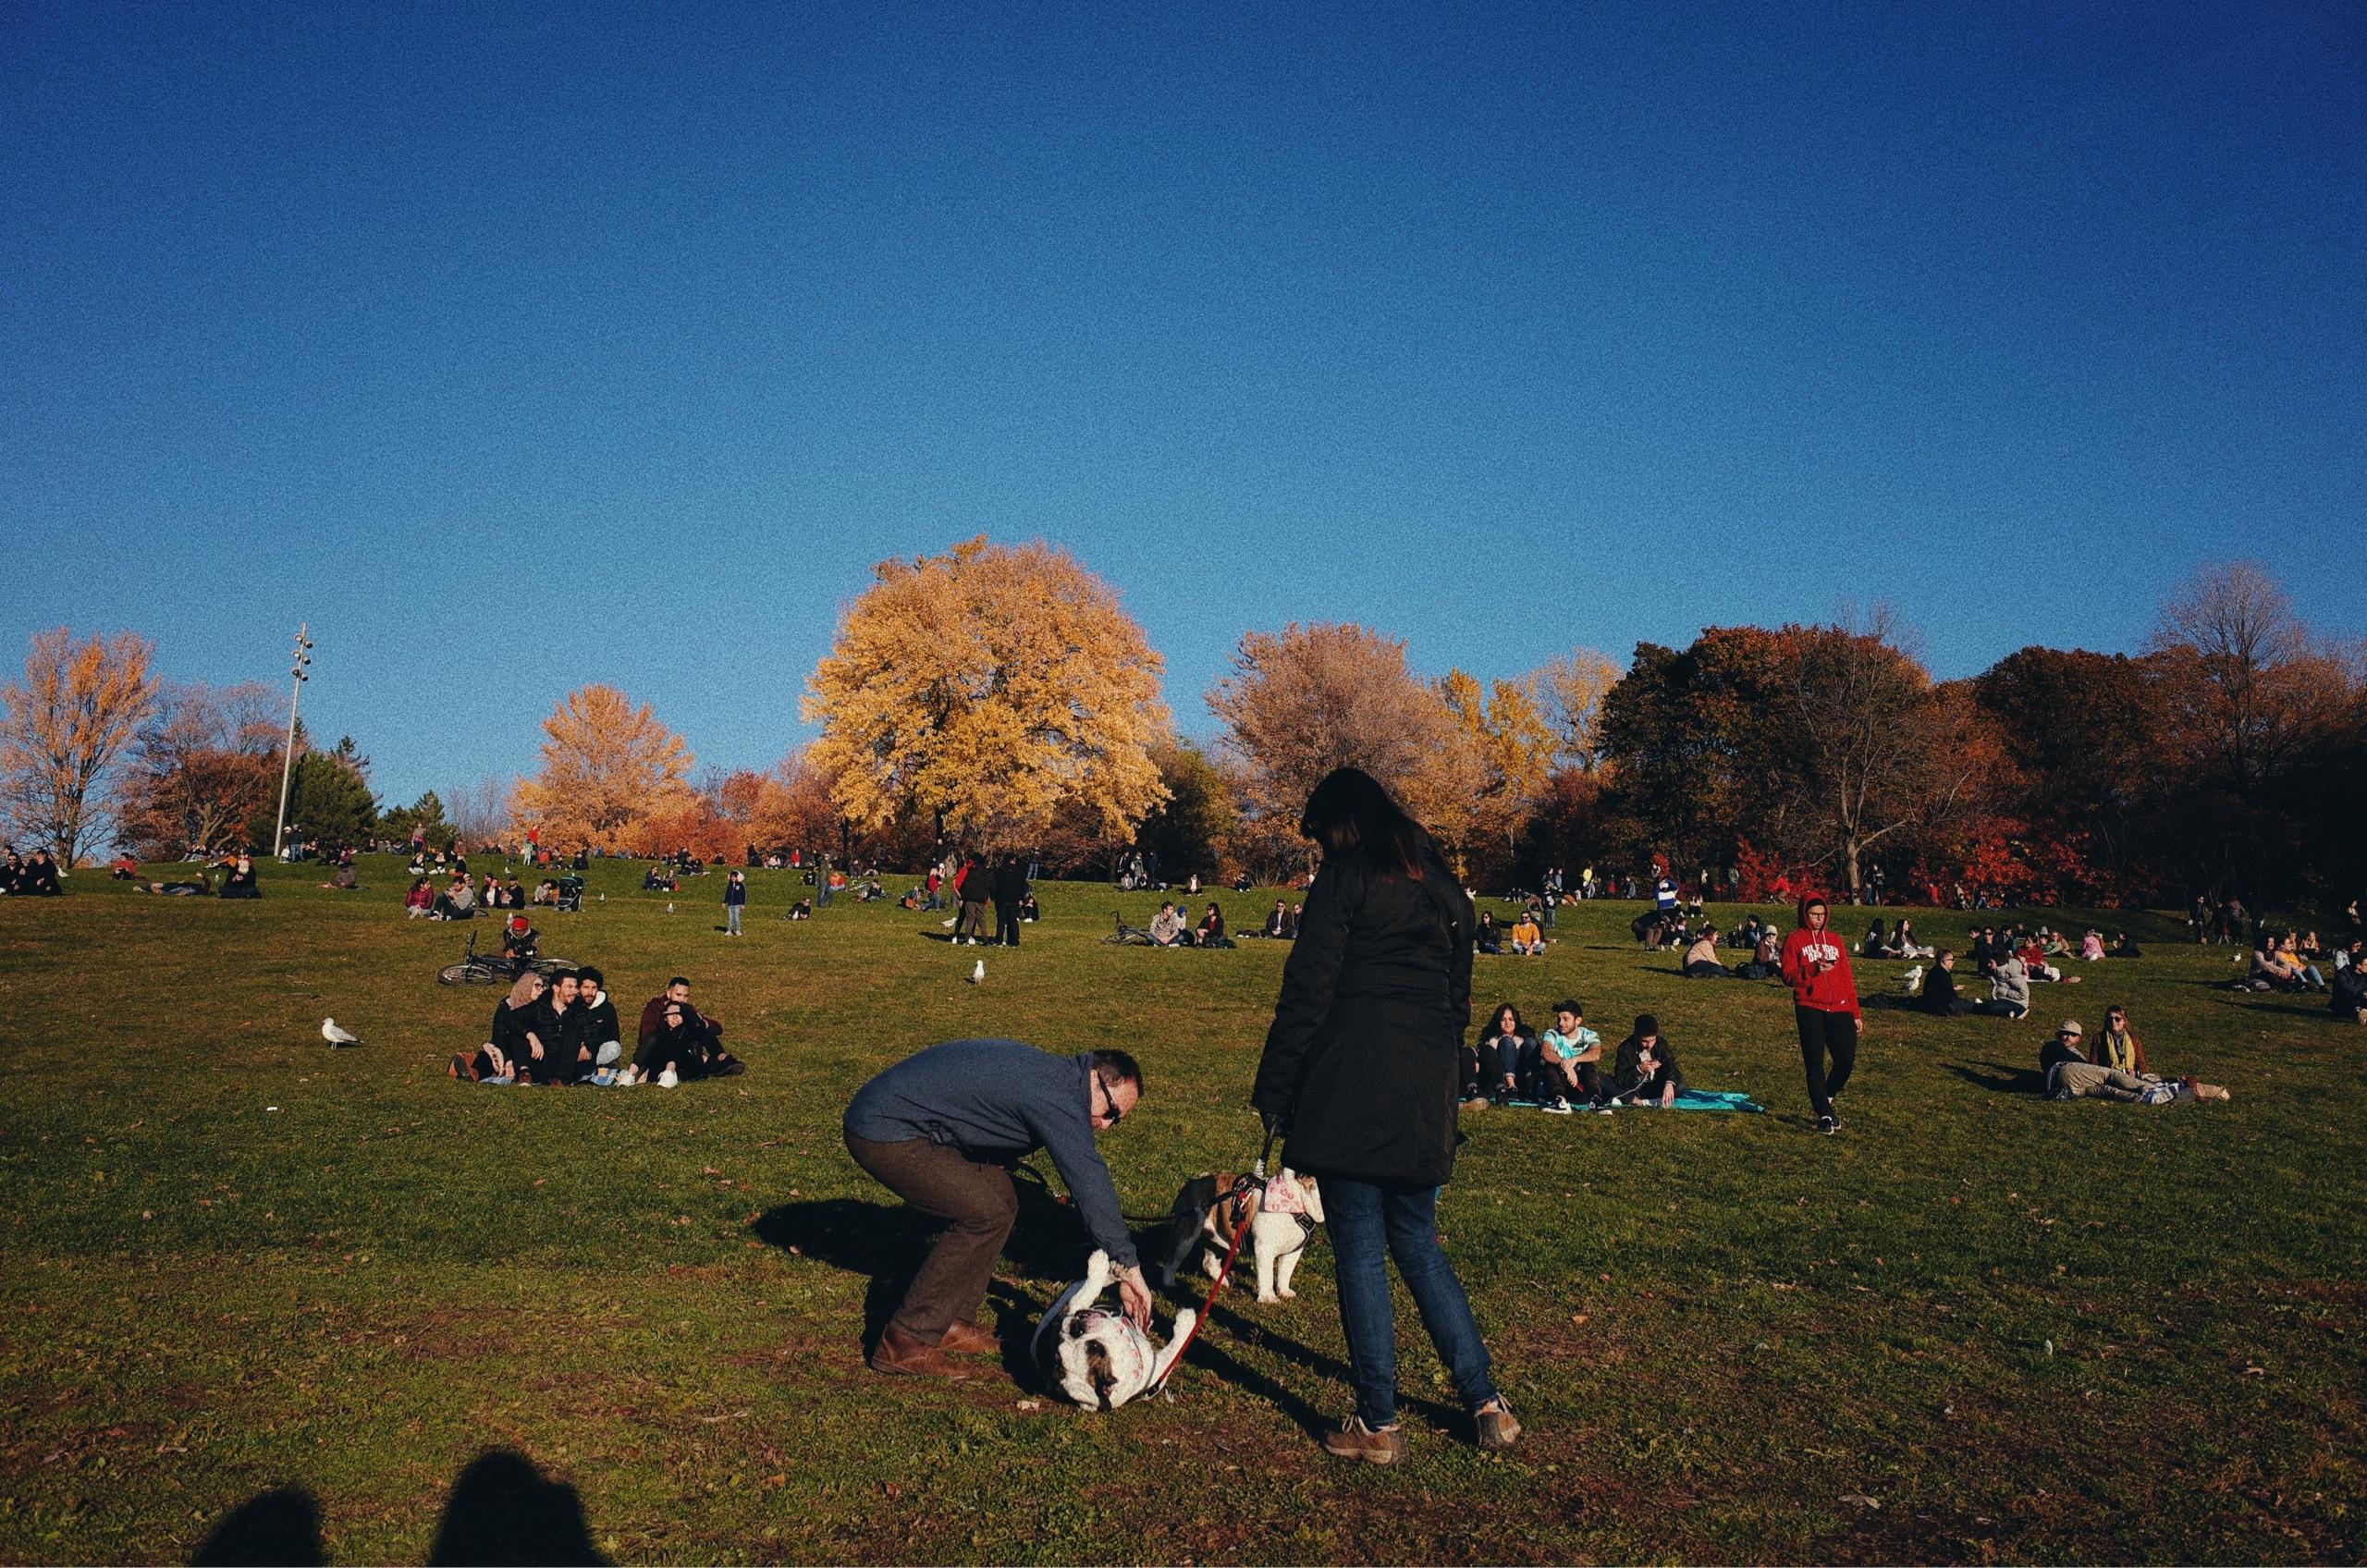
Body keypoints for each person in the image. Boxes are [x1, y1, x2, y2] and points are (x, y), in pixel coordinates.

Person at [1250, 766, 1516, 1463]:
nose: (1320, 851)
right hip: (1425, 1088)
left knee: (1362, 1252)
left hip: (1352, 1086)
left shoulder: (1348, 878)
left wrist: (1276, 1091)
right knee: (1419, 1243)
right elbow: (1458, 1003)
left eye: (1322, 838)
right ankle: (1486, 1400)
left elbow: (1306, 993)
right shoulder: (1446, 889)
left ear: (1343, 825)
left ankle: (1377, 1422)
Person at [843, 1039, 1149, 1378]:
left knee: (1001, 1199)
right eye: (1110, 1112)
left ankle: (952, 1322)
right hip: (882, 1130)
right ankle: (905, 1340)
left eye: (1116, 1121)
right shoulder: (1058, 1095)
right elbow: (1088, 1177)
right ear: (1095, 1078)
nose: (1106, 1125)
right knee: (982, 1213)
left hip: (906, 1123)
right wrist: (1127, 1265)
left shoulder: (1060, 1078)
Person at [1780, 897, 1861, 1135]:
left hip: (1839, 1007)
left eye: (1822, 914)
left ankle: (1826, 1095)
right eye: (1814, 914)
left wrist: (1855, 1011)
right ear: (1804, 914)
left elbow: (1847, 977)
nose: (1818, 919)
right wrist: (1813, 968)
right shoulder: (1794, 939)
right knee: (1814, 1062)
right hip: (1809, 1006)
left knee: (1845, 1060)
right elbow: (1788, 976)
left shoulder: (1835, 940)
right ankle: (1824, 1113)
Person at [2042, 1020, 2227, 1104]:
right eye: (2064, 1033)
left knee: (2108, 1091)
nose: (2067, 1037)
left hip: (2069, 1087)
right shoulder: (2055, 1046)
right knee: (2112, 1075)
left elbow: (2140, 1063)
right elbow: (2096, 1066)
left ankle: (2150, 1098)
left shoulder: (2133, 1039)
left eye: (2072, 1034)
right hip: (2069, 1073)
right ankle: (2154, 1092)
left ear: (2078, 1038)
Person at [629, 976, 740, 1084]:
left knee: (701, 1029)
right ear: (669, 993)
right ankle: (716, 1064)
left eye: (686, 996)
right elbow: (648, 1037)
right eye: (678, 995)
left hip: (683, 1050)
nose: (682, 999)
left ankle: (720, 1057)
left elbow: (717, 1028)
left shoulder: (686, 1009)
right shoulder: (654, 1008)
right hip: (660, 1052)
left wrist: (703, 1023)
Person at [451, 969, 548, 1084]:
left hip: (526, 1051)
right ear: (526, 985)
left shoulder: (542, 1009)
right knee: (489, 1054)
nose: (541, 990)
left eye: (542, 987)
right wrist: (508, 1060)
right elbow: (499, 1033)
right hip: (505, 1047)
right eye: (537, 986)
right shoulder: (507, 1005)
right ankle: (473, 1074)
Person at [1535, 1000, 1607, 1113]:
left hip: (1580, 1084)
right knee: (1550, 1065)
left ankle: (1595, 1099)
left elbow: (1596, 1053)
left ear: (1578, 1020)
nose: (1560, 1023)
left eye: (1565, 1019)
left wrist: (1575, 1060)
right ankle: (1559, 1100)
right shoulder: (1552, 1033)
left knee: (1588, 1064)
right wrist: (1566, 1066)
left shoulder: (1589, 1035)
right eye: (1559, 1019)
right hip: (1560, 1081)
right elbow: (1546, 1052)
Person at [1464, 1003, 1534, 1108]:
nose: (1507, 1023)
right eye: (1503, 1019)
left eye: (1511, 1019)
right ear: (1498, 1021)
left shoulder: (1523, 1040)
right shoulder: (1491, 1041)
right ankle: (1510, 1087)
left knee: (1525, 1042)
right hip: (1498, 1078)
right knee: (1506, 1041)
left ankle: (1530, 1089)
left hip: (1520, 1076)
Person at [1607, 1015, 1683, 1107]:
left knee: (1679, 1086)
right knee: (1604, 1081)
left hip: (1655, 1086)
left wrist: (1669, 1083)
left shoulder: (1660, 1044)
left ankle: (1638, 1101)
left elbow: (1670, 1065)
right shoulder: (1625, 1049)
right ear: (1637, 1035)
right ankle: (1640, 1101)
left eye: (1652, 1040)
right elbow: (1620, 1080)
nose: (1649, 1045)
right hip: (1635, 1088)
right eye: (1645, 1041)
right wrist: (1639, 1069)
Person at [1915, 949, 1970, 1016]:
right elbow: (1951, 994)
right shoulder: (1943, 974)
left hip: (1929, 1002)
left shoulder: (1934, 970)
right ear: (1945, 961)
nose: (1953, 962)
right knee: (1968, 1004)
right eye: (1952, 960)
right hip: (1940, 1005)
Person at [2094, 1005, 2148, 1074]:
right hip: (2107, 1077)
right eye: (2110, 1019)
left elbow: (2141, 1065)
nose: (2113, 1022)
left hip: (2129, 1077)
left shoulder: (2134, 1040)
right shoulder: (2098, 1038)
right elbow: (2093, 1064)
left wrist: (2134, 1072)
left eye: (2117, 1019)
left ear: (2124, 1021)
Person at [991, 855, 1028, 948]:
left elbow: (993, 885)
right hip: (1014, 899)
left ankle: (999, 940)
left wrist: (993, 896)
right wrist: (1022, 899)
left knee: (1001, 921)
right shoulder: (1018, 871)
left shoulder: (999, 870)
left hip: (1001, 899)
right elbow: (1023, 886)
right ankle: (1014, 940)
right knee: (1013, 921)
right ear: (1013, 859)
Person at [1983, 951, 2032, 1019]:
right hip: (2004, 999)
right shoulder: (1998, 973)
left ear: (1999, 963)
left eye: (1991, 963)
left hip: (2018, 1003)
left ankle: (2019, 1010)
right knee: (1988, 1006)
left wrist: (2006, 992)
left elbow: (2024, 993)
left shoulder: (2011, 975)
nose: (1988, 964)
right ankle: (2010, 1012)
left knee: (1991, 1007)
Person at [2328, 939, 2367, 1023]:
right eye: (2366, 965)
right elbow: (2348, 989)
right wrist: (2362, 993)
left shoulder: (2363, 975)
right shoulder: (2342, 974)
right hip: (2342, 1005)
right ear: (2358, 965)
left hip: (2357, 1002)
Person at [955, 854, 988, 945]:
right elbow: (988, 886)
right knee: (981, 919)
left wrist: (962, 898)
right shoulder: (986, 873)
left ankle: (966, 939)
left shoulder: (971, 872)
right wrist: (986, 897)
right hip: (981, 898)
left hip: (970, 898)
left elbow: (967, 886)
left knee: (970, 918)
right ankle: (985, 939)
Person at [722, 870, 747, 937]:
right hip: (730, 904)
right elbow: (727, 894)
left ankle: (738, 930)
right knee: (730, 917)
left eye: (734, 877)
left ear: (737, 877)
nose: (733, 878)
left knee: (736, 917)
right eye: (732, 877)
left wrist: (743, 904)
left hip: (737, 904)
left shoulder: (741, 885)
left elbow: (743, 895)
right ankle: (729, 930)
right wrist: (724, 902)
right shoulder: (729, 885)